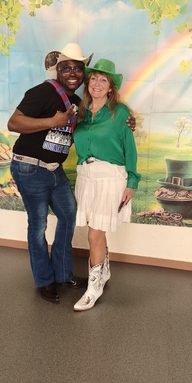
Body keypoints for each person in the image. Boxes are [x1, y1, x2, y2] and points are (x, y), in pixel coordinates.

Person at [8, 44, 136, 303]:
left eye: (77, 68)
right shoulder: (41, 92)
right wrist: (52, 121)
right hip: (30, 168)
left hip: (56, 171)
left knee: (68, 218)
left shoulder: (79, 105)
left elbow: (102, 128)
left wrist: (127, 122)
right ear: (58, 71)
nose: (72, 73)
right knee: (38, 226)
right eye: (66, 68)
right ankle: (45, 280)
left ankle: (64, 274)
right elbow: (13, 123)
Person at [72, 58, 141, 311]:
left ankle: (94, 288)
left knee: (94, 234)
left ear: (111, 87)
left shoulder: (120, 113)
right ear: (88, 83)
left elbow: (129, 148)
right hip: (85, 176)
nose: (97, 83)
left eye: (103, 80)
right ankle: (105, 271)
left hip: (110, 177)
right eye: (93, 78)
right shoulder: (80, 113)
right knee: (96, 229)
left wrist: (131, 181)